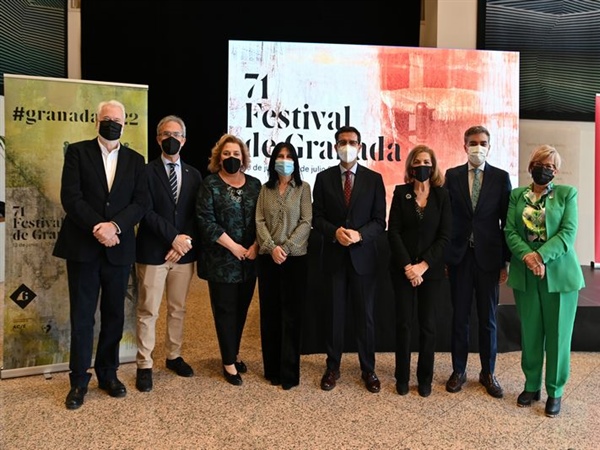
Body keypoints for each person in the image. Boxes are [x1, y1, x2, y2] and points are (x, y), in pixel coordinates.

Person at [53, 99, 149, 409]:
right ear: (97, 121)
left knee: (114, 315)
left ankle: (108, 374)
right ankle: (78, 381)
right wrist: (98, 226)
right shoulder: (78, 152)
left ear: (124, 124)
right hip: (83, 248)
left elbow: (140, 202)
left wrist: (115, 227)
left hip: (118, 250)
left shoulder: (136, 160)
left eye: (117, 119)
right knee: (82, 318)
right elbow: (71, 197)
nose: (111, 123)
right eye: (106, 118)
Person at [504, 144, 585, 418]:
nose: (545, 169)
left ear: (556, 171)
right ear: (531, 166)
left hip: (560, 277)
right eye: (541, 163)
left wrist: (540, 257)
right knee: (531, 333)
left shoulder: (566, 194)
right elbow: (510, 231)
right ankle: (531, 385)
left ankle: (555, 390)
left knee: (559, 336)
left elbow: (568, 232)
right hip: (526, 274)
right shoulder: (517, 195)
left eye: (550, 166)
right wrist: (528, 258)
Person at [312, 125, 386, 393]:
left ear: (360, 146)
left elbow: (380, 221)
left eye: (352, 142)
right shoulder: (323, 179)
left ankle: (369, 369)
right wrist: (335, 232)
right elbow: (317, 217)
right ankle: (332, 367)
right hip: (333, 257)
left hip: (363, 258)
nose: (347, 146)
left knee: (364, 316)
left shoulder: (374, 179)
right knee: (334, 315)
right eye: (342, 142)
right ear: (334, 147)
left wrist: (359, 235)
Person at [134, 115, 203, 392]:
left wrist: (183, 241)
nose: (171, 138)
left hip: (183, 255)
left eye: (176, 134)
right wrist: (172, 238)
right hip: (152, 252)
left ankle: (173, 356)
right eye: (165, 134)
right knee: (148, 310)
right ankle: (144, 364)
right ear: (157, 139)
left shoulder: (194, 175)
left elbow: (195, 214)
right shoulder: (145, 172)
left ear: (184, 140)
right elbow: (145, 210)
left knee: (178, 309)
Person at [444, 125, 512, 399]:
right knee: (459, 318)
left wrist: (504, 261)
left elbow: (507, 222)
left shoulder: (500, 177)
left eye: (483, 143)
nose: (478, 147)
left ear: (490, 146)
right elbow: (446, 220)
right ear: (464, 145)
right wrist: (447, 256)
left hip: (489, 258)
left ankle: (488, 373)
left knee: (488, 320)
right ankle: (458, 371)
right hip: (460, 257)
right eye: (473, 142)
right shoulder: (452, 176)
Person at [195, 133, 262, 386]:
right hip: (221, 262)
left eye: (236, 154)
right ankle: (228, 362)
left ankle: (233, 352)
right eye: (226, 154)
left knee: (242, 310)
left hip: (249, 260)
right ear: (218, 158)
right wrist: (234, 247)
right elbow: (206, 221)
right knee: (225, 311)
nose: (231, 158)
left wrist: (255, 246)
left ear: (243, 157)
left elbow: (261, 220)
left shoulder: (255, 185)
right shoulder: (209, 184)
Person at [388, 145, 451, 397]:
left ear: (433, 166)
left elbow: (445, 236)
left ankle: (424, 378)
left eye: (427, 161)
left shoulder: (442, 196)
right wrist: (408, 267)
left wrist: (423, 266)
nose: (422, 165)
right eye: (418, 161)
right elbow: (393, 232)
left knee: (428, 325)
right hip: (403, 271)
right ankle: (401, 377)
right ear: (411, 166)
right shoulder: (401, 192)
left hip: (430, 272)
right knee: (403, 324)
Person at [255, 142, 312, 390]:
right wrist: (271, 247)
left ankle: (289, 373)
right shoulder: (264, 189)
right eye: (280, 156)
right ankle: (273, 371)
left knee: (291, 317)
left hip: (295, 259)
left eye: (289, 156)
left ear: (295, 161)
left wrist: (286, 248)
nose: (285, 160)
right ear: (273, 160)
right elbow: (258, 220)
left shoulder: (303, 188)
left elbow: (306, 221)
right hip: (268, 259)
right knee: (270, 315)